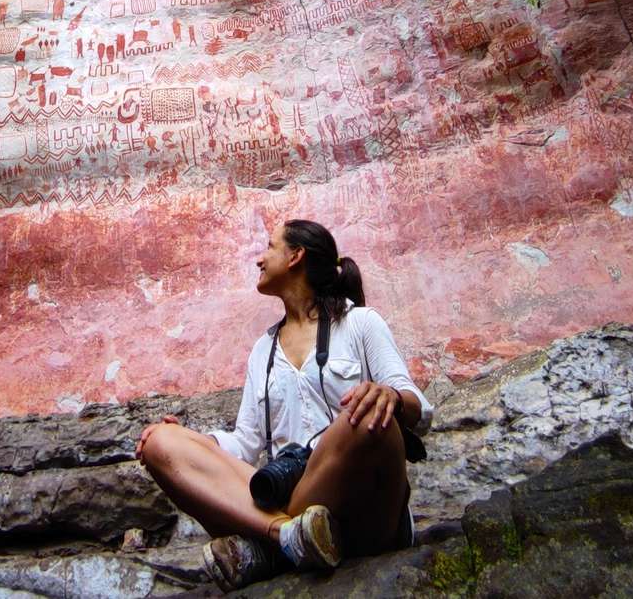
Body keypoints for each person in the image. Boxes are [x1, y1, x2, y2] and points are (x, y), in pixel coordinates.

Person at [136, 219, 433, 590]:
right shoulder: (264, 350)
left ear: (296, 256)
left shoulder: (359, 323)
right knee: (161, 442)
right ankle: (287, 536)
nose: (259, 260)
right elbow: (245, 443)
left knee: (362, 415)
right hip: (290, 495)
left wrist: (389, 396)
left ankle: (269, 548)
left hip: (362, 508)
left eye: (269, 247)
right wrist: (195, 442)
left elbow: (418, 407)